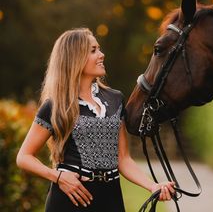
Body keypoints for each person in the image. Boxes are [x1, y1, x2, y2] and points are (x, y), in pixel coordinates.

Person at [16, 28, 175, 212]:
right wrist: (58, 177)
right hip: (70, 198)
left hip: (111, 197)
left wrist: (152, 186)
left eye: (99, 49)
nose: (101, 54)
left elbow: (123, 159)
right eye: (93, 50)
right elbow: (24, 157)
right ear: (75, 58)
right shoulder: (55, 106)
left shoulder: (116, 99)